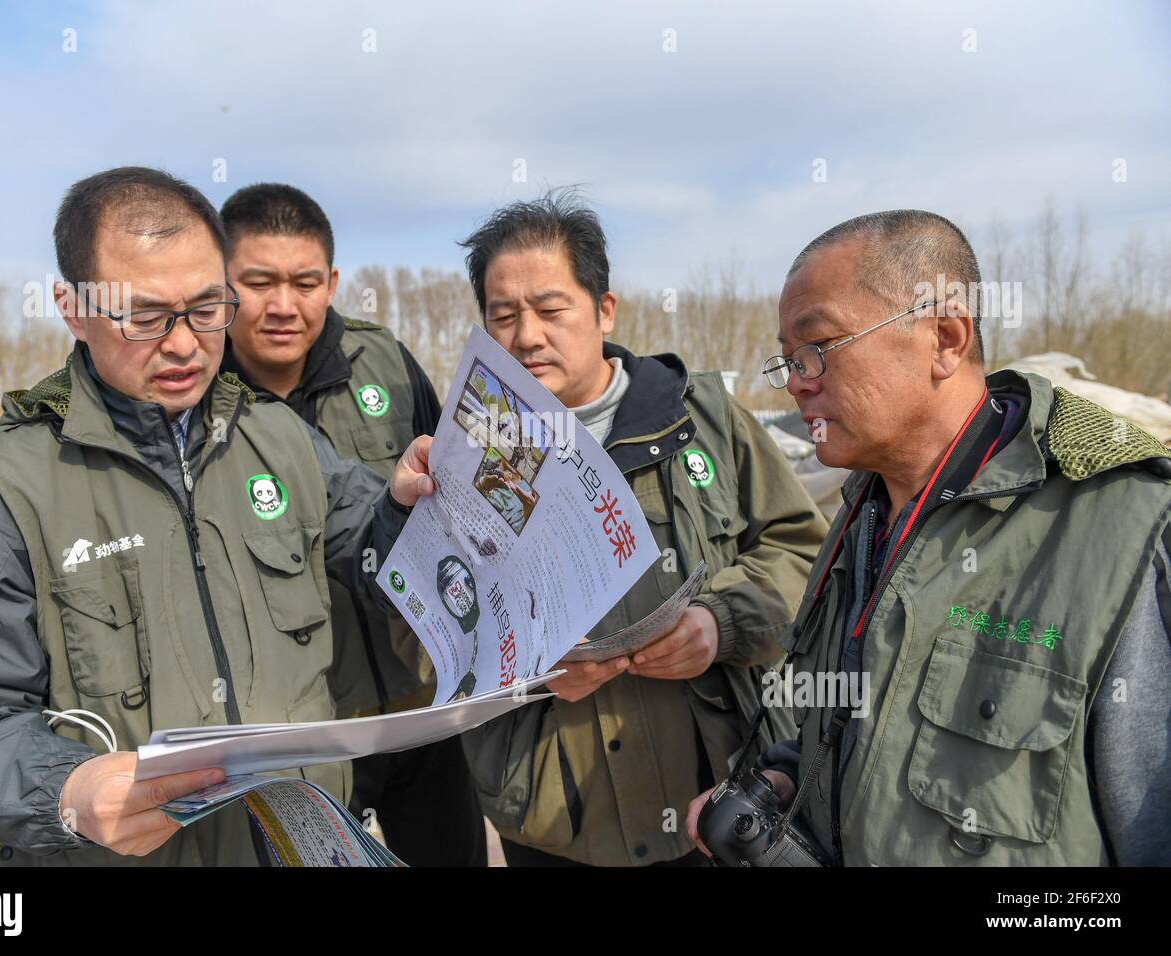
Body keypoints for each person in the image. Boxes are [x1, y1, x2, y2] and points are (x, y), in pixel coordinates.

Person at [0, 167, 435, 866]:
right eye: (145, 317)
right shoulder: (0, 494)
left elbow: (369, 548)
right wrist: (66, 788)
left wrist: (402, 503)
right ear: (72, 306)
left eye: (209, 308)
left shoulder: (281, 438)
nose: (184, 344)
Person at [687, 209, 1171, 865]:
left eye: (817, 348)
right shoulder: (862, 511)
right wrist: (780, 779)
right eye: (788, 358)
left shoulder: (1122, 530)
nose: (797, 379)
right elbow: (849, 717)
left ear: (943, 337)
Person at [458, 190, 828, 866]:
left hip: (716, 800)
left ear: (604, 310)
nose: (526, 335)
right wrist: (526, 669)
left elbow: (803, 551)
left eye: (549, 309)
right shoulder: (476, 451)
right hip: (557, 819)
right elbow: (439, 628)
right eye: (502, 315)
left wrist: (721, 623)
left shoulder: (703, 418)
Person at [218, 182, 486, 866]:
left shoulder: (386, 365)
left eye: (305, 282)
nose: (284, 305)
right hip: (301, 732)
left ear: (332, 281)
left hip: (421, 710)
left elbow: (451, 501)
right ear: (219, 283)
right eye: (258, 282)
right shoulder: (197, 396)